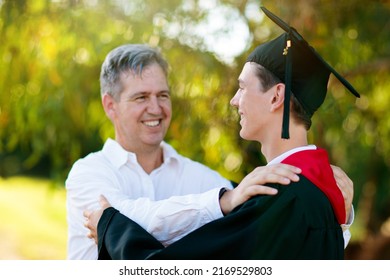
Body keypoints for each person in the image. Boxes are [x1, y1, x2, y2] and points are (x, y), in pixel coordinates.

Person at [84, 7, 359, 260]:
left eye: (242, 87)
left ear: (276, 97)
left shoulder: (276, 197)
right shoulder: (326, 196)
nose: (234, 100)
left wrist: (110, 227)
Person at [66, 43, 306, 259]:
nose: (155, 108)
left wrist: (336, 204)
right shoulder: (88, 174)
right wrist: (224, 201)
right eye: (141, 97)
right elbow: (122, 221)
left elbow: (268, 218)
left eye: (162, 95)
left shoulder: (199, 177)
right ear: (110, 106)